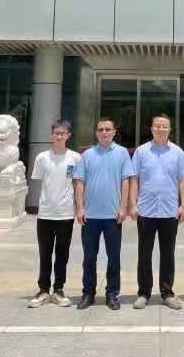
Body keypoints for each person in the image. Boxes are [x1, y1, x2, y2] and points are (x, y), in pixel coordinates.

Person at [128, 114, 184, 310]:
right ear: (152, 128)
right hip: (146, 210)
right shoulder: (141, 152)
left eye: (164, 127)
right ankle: (143, 293)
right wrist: (132, 204)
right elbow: (134, 179)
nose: (161, 129)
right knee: (144, 253)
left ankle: (167, 293)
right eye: (158, 126)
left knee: (168, 254)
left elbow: (183, 180)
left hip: (169, 211)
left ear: (170, 129)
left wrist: (183, 206)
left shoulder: (178, 152)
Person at [73, 118, 135, 310]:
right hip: (90, 216)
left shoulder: (122, 153)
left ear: (114, 131)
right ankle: (88, 293)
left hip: (113, 216)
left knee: (113, 257)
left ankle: (112, 294)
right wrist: (80, 208)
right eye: (101, 129)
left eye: (108, 129)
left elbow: (126, 181)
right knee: (89, 258)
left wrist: (123, 207)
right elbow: (79, 182)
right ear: (96, 133)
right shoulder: (87, 155)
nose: (104, 132)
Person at [27, 119, 81, 308]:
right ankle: (43, 290)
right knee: (45, 253)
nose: (59, 136)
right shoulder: (42, 157)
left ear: (68, 135)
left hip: (65, 214)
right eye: (56, 133)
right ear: (52, 135)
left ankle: (58, 289)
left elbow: (77, 183)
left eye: (62, 133)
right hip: (45, 214)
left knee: (62, 254)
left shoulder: (75, 158)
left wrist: (80, 207)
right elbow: (38, 182)